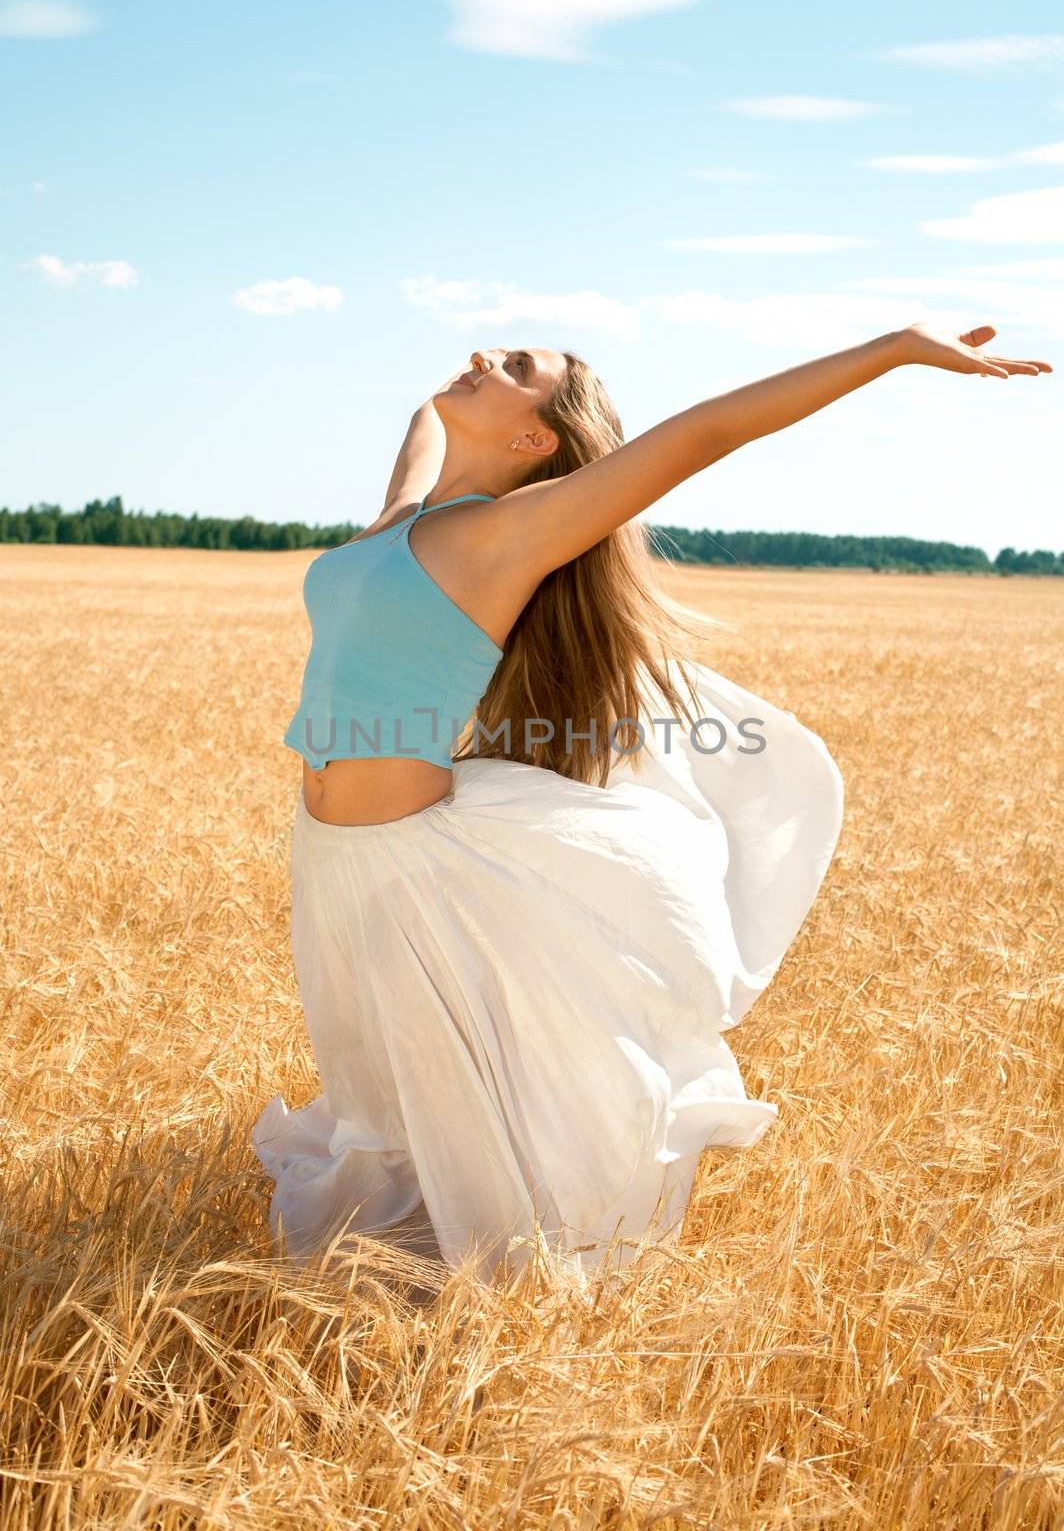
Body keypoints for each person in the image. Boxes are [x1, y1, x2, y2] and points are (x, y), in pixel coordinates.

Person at [252, 323, 1050, 1284]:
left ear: (537, 443)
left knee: (477, 1096)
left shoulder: (512, 535)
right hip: (332, 853)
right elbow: (424, 419)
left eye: (517, 369)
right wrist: (465, 394)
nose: (485, 359)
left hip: (422, 863)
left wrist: (893, 349)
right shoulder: (404, 522)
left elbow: (708, 432)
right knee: (387, 1076)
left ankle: (520, 1279)